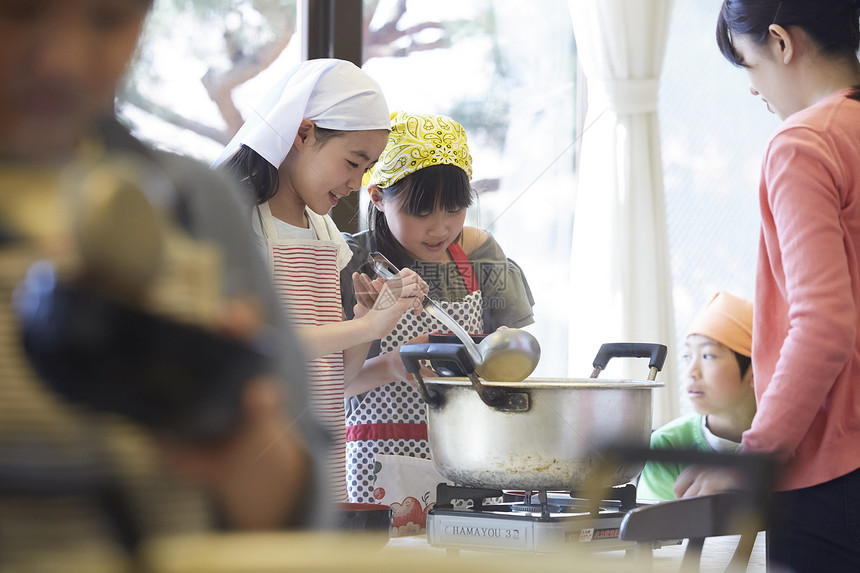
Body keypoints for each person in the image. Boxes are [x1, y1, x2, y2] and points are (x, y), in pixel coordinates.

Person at [0, 1, 332, 570]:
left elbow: (300, 510)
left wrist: (240, 444)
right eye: (22, 12)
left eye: (108, 20)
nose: (60, 60)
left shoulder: (196, 203)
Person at [674, 1, 860, 571]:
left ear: (781, 42)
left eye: (749, 64)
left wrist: (751, 458)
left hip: (835, 472)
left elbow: (825, 325)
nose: (753, 90)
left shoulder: (805, 143)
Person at [214, 59, 428, 503]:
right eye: (353, 162)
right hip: (255, 461)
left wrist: (366, 319)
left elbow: (336, 380)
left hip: (322, 464)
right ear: (304, 132)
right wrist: (366, 328)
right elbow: (264, 342)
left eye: (367, 168)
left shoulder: (326, 234)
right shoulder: (237, 220)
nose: (356, 182)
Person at [339, 111, 536, 504]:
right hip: (378, 464)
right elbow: (332, 387)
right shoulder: (351, 260)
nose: (441, 228)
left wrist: (500, 351)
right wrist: (393, 364)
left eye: (454, 209)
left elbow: (518, 352)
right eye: (421, 211)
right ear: (377, 196)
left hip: (473, 456)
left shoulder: (481, 255)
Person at [637, 291, 755, 501]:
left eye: (708, 356)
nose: (691, 372)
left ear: (754, 370)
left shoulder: (790, 444)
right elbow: (659, 531)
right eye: (687, 357)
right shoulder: (666, 447)